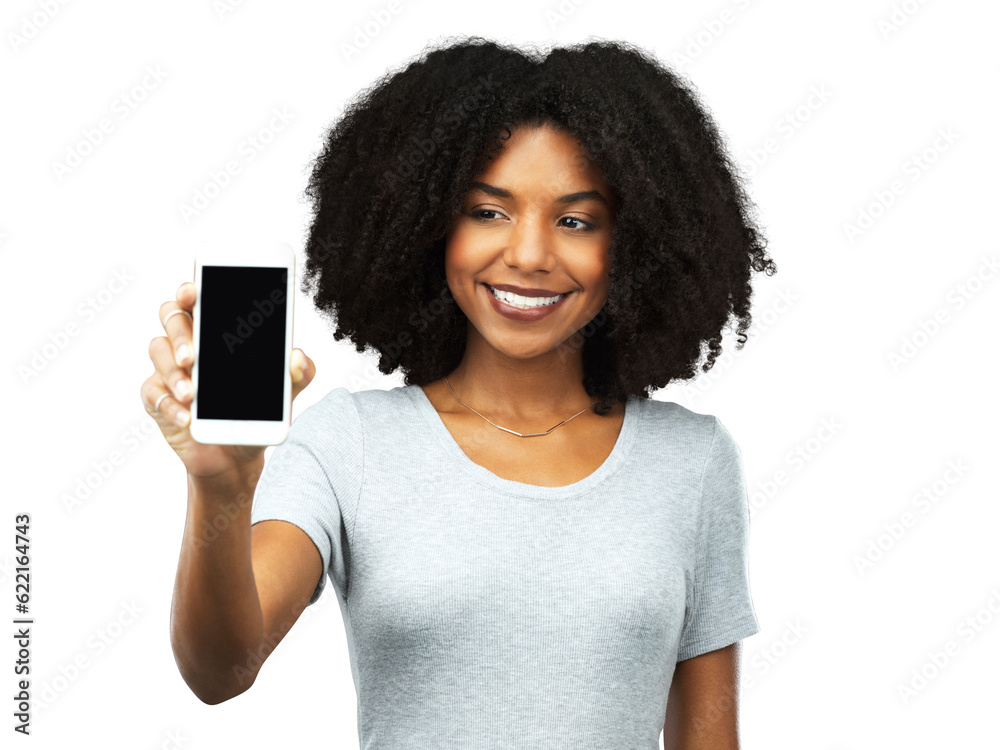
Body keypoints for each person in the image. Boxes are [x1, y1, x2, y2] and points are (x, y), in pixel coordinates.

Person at [142, 36, 776, 749]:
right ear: (426, 225)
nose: (530, 255)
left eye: (575, 220)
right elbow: (221, 668)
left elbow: (708, 738)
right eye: (488, 212)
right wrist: (220, 493)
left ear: (634, 245)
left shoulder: (691, 462)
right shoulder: (348, 442)